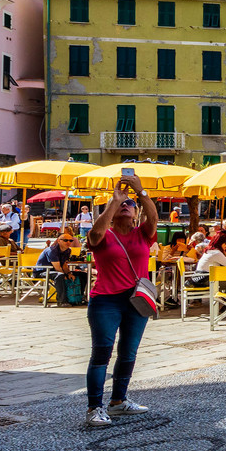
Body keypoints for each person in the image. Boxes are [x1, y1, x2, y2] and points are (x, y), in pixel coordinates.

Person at [83, 177, 157, 427]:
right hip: (106, 301)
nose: (126, 205)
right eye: (121, 205)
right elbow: (94, 233)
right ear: (113, 214)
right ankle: (94, 407)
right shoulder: (103, 235)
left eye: (130, 204)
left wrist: (140, 192)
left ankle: (118, 401)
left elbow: (154, 217)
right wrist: (114, 202)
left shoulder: (143, 234)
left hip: (136, 301)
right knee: (102, 353)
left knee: (128, 353)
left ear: (136, 214)